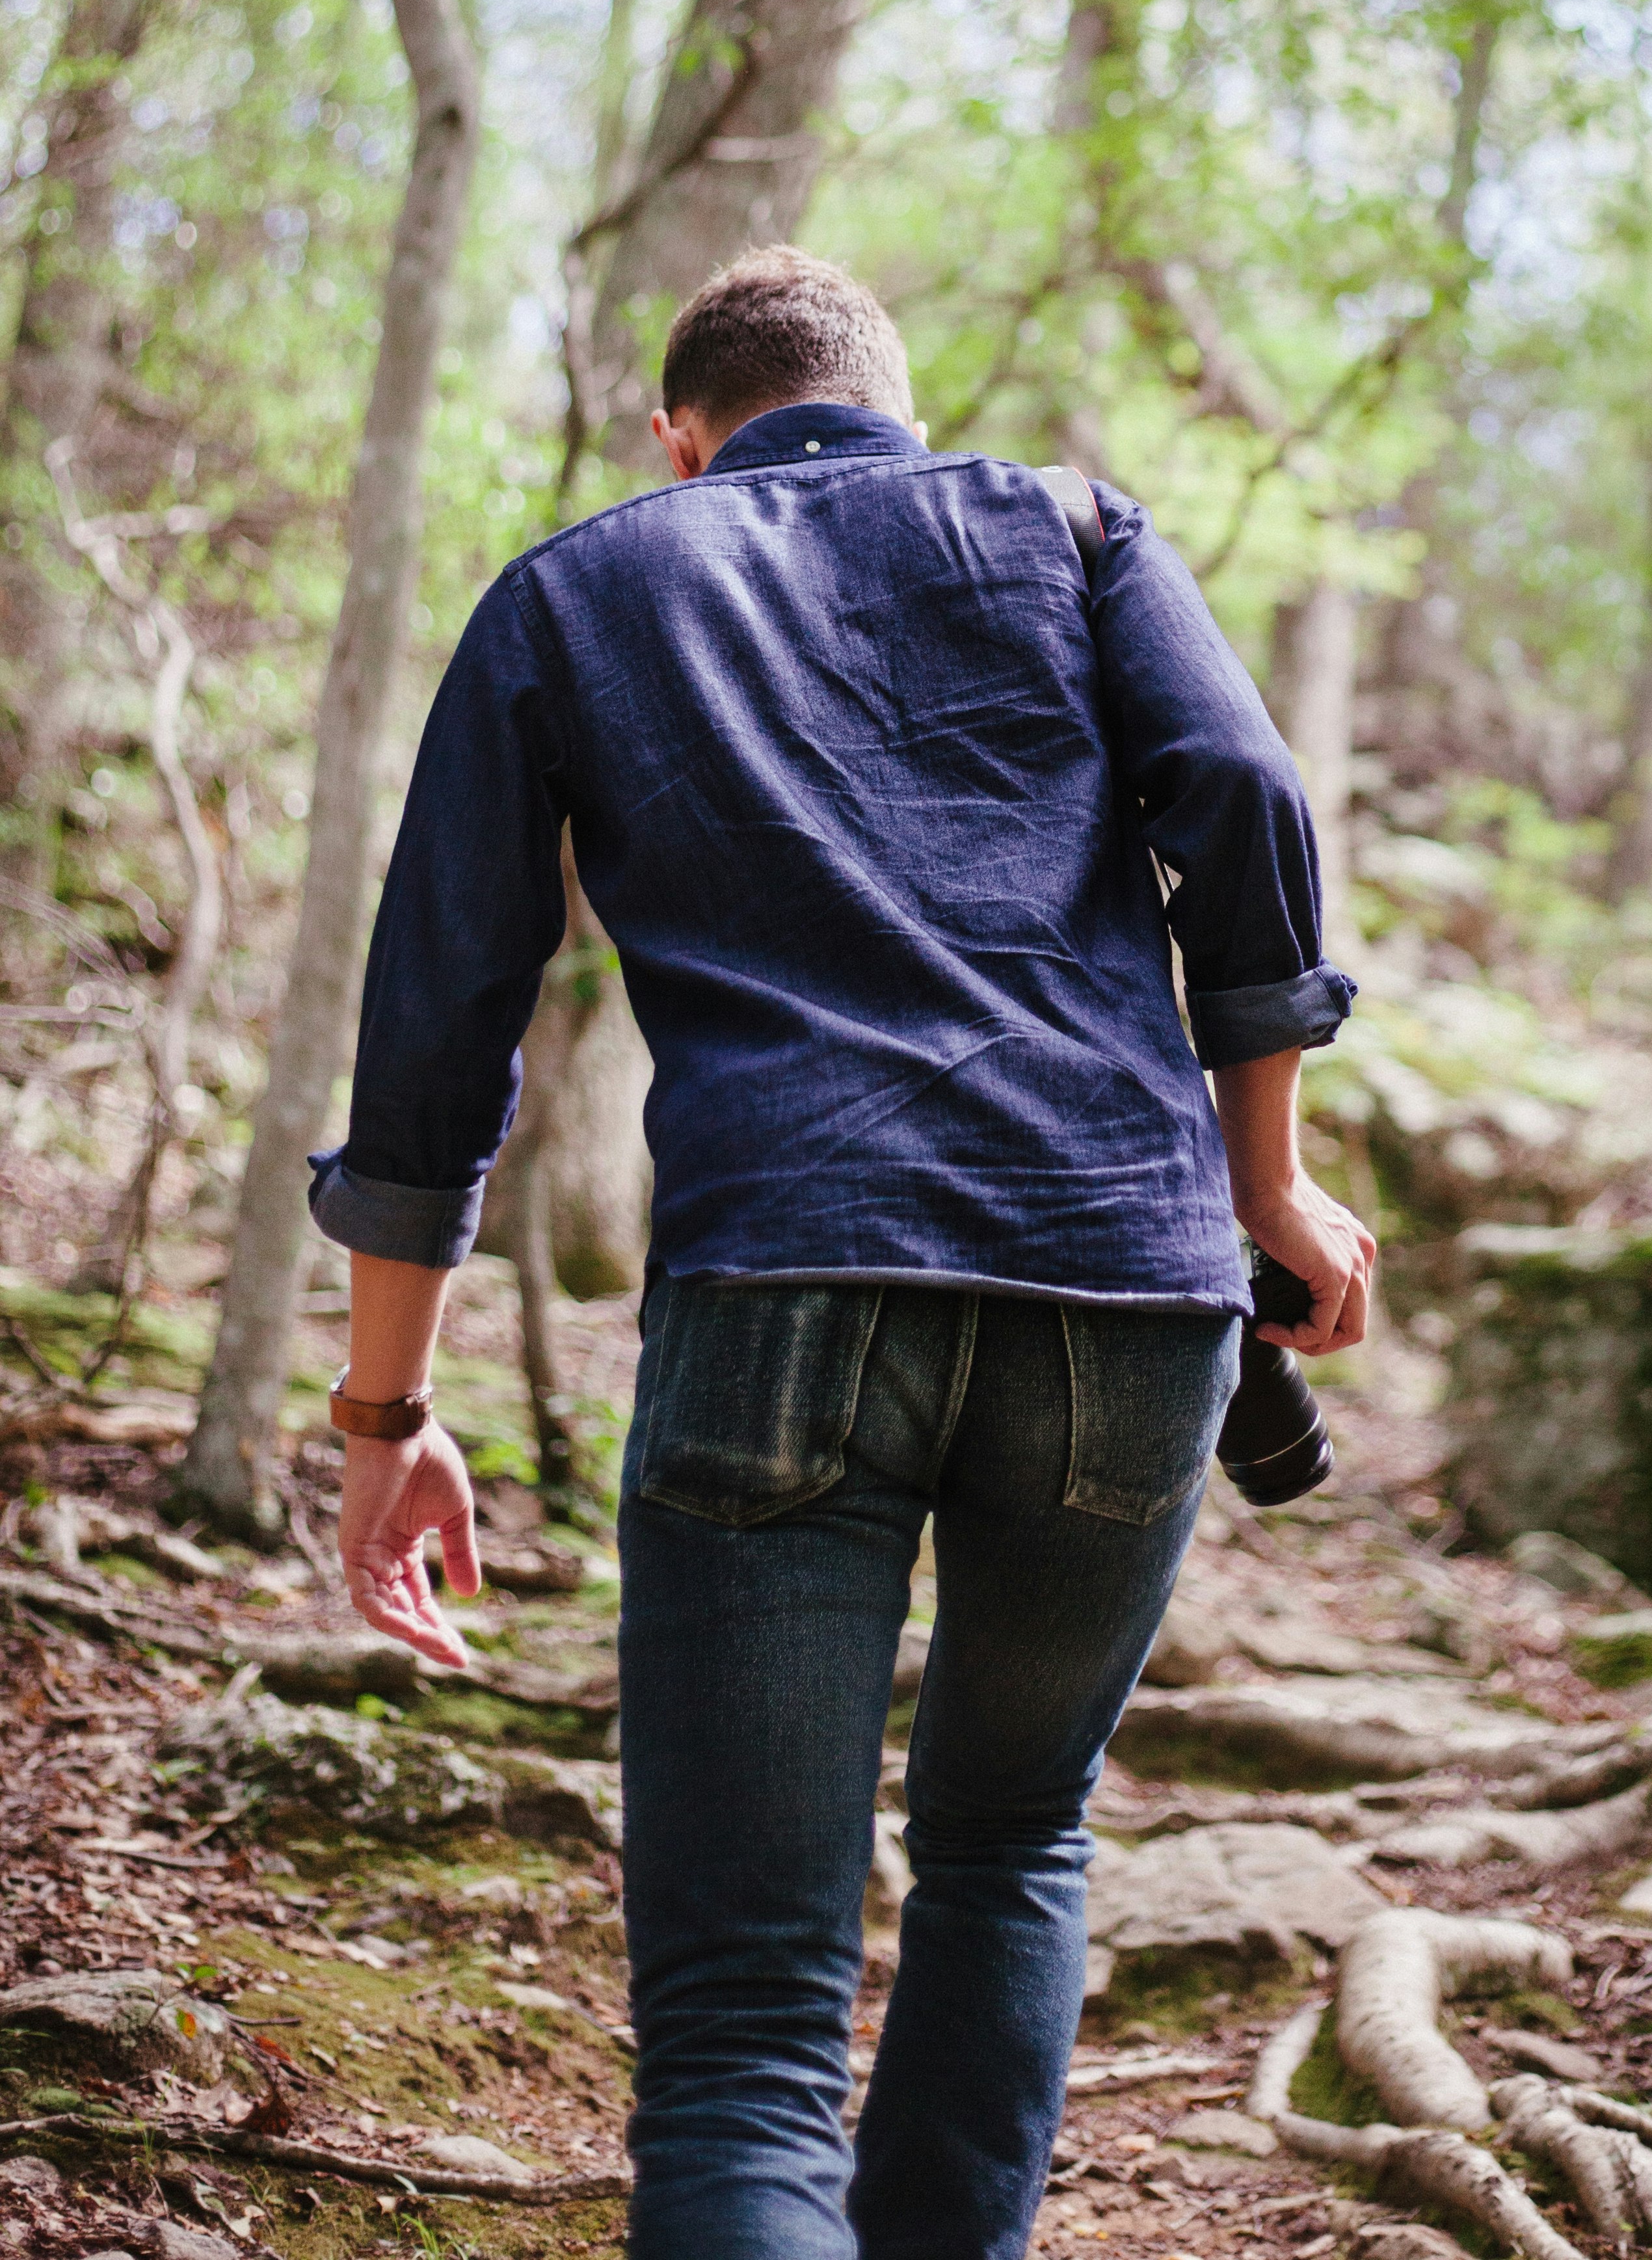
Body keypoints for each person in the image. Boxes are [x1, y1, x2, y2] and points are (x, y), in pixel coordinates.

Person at [306, 246, 1377, 2260]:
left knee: (741, 2041)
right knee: (1010, 1840)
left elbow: (437, 1022)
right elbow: (1237, 792)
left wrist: (389, 1410)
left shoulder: (579, 589)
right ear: (892, 397)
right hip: (1129, 1296)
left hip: (784, 1285)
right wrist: (1269, 1185)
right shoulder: (1068, 525)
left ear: (678, 436)